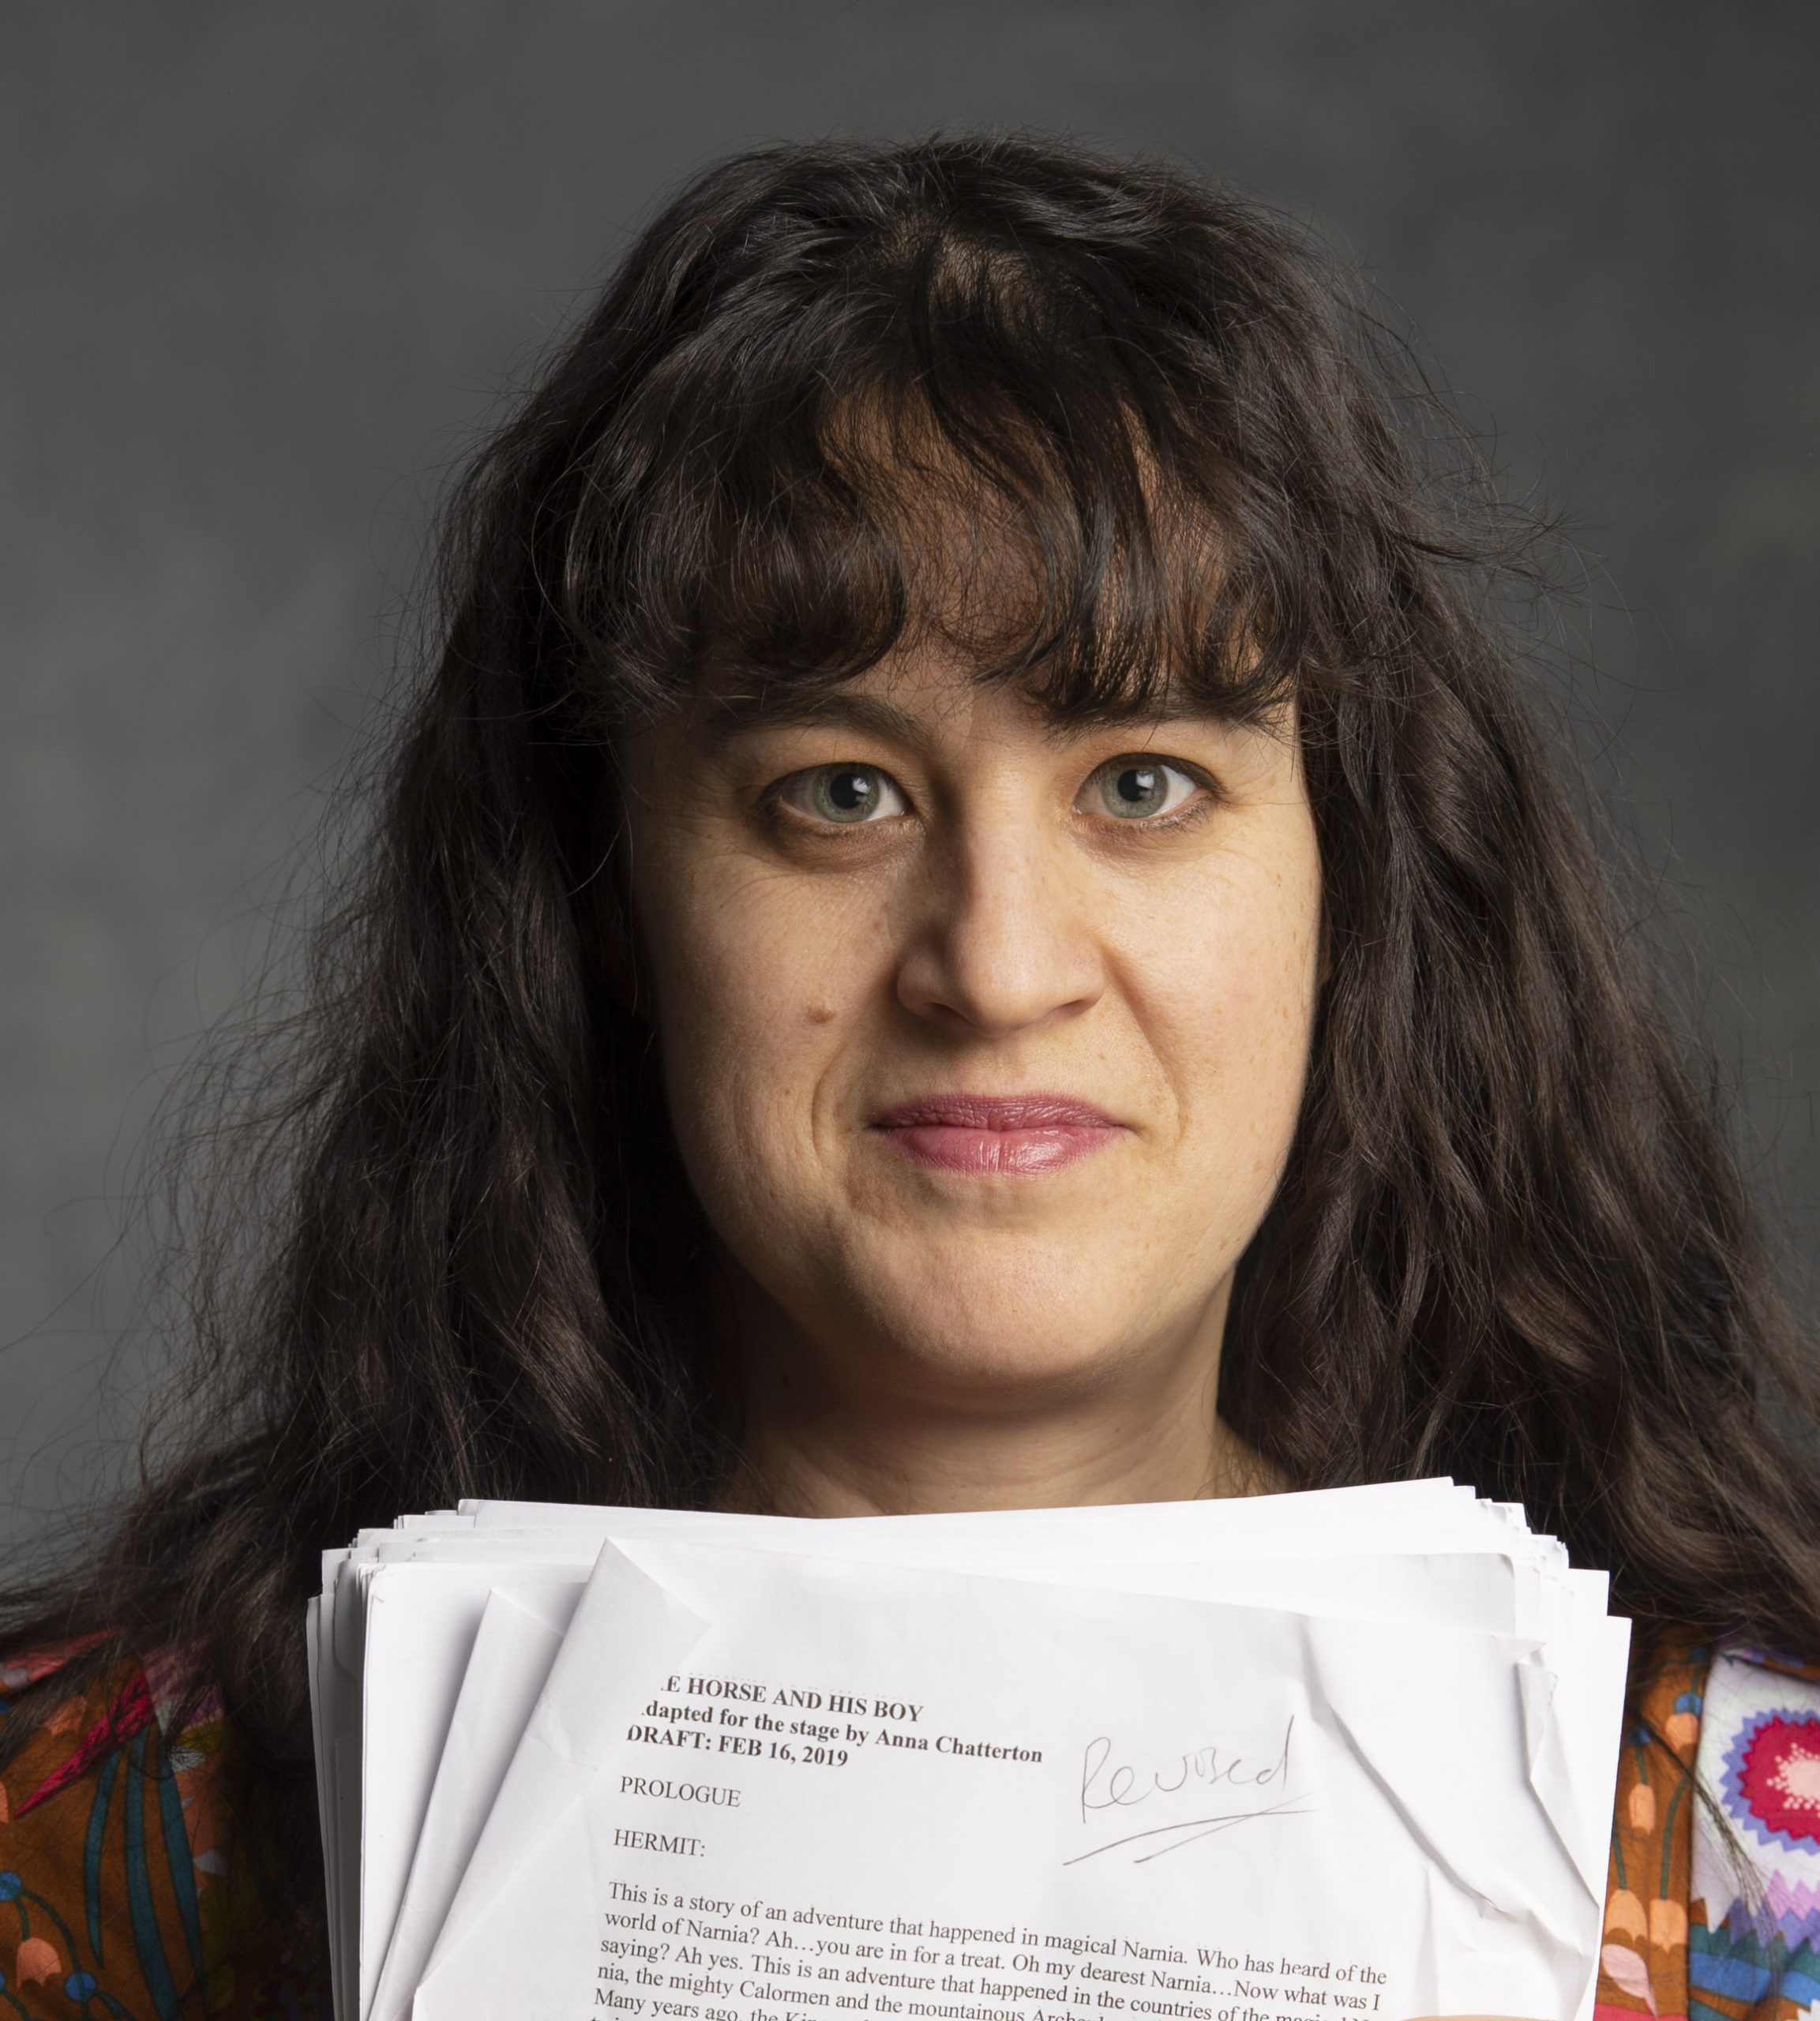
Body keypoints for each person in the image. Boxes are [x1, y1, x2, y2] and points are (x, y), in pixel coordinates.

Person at [2, 134, 1818, 2021]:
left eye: (1141, 782)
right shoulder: (104, 1843)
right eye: (838, 792)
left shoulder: (1749, 1859)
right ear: (609, 901)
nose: (998, 965)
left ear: (1345, 879)